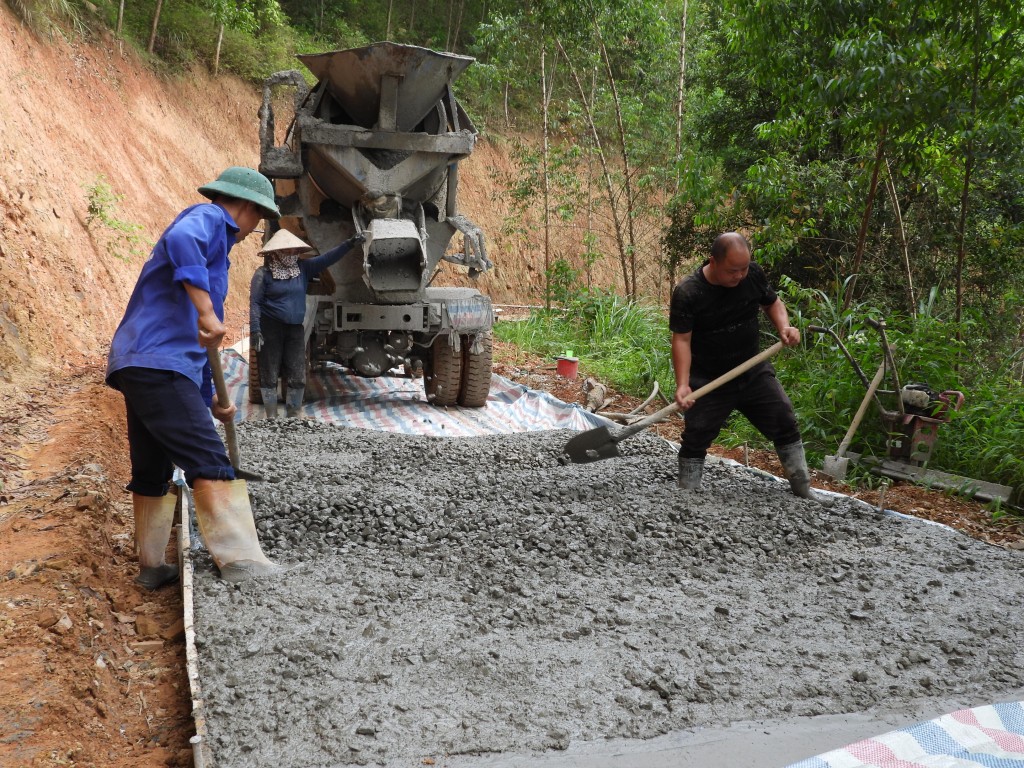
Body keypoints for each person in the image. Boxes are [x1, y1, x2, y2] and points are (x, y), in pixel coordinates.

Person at [106, 166, 282, 587]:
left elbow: (203, 347)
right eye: (258, 219)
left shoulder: (216, 251)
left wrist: (212, 401)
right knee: (209, 461)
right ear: (246, 207)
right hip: (160, 360)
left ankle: (152, 567)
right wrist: (206, 310)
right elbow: (182, 240)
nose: (253, 229)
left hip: (142, 362)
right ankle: (243, 563)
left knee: (152, 469)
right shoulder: (207, 220)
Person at [670, 231, 825, 503]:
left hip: (752, 369)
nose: (740, 275)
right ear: (713, 262)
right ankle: (687, 496)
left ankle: (802, 488)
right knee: (697, 434)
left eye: (743, 268)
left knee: (784, 418)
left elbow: (773, 303)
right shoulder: (689, 292)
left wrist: (784, 327)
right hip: (709, 377)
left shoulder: (752, 274)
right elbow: (682, 339)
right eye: (733, 270)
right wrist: (683, 384)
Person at [249, 228, 365, 418]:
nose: (291, 254)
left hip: (294, 329)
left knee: (297, 370)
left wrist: (350, 243)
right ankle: (271, 416)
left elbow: (328, 258)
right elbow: (255, 303)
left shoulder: (302, 268)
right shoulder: (263, 274)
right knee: (269, 370)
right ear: (275, 253)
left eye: (293, 251)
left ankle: (294, 414)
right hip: (271, 328)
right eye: (286, 251)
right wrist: (255, 329)